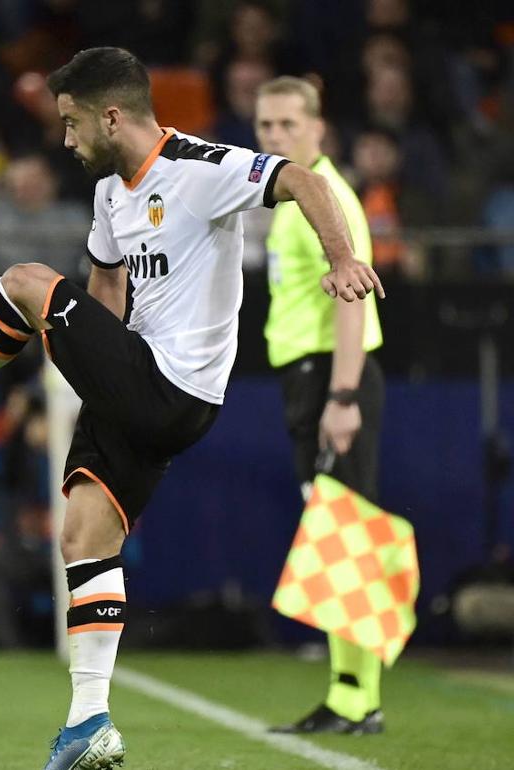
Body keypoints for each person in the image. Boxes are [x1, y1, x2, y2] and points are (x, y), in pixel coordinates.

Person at [0, 47, 384, 770]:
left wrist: (342, 258)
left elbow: (301, 181)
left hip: (176, 385)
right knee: (85, 535)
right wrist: (87, 364)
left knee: (27, 281)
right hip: (135, 384)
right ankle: (88, 722)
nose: (66, 140)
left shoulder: (200, 167)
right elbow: (104, 293)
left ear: (112, 115)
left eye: (71, 124)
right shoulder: (108, 196)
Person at [254, 76, 387, 736]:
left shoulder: (324, 198)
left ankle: (356, 699)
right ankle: (353, 696)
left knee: (347, 539)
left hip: (332, 379)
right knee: (338, 537)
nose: (276, 136)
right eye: (266, 127)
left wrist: (341, 396)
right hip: (310, 379)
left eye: (287, 125)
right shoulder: (292, 200)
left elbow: (351, 294)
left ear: (317, 129)